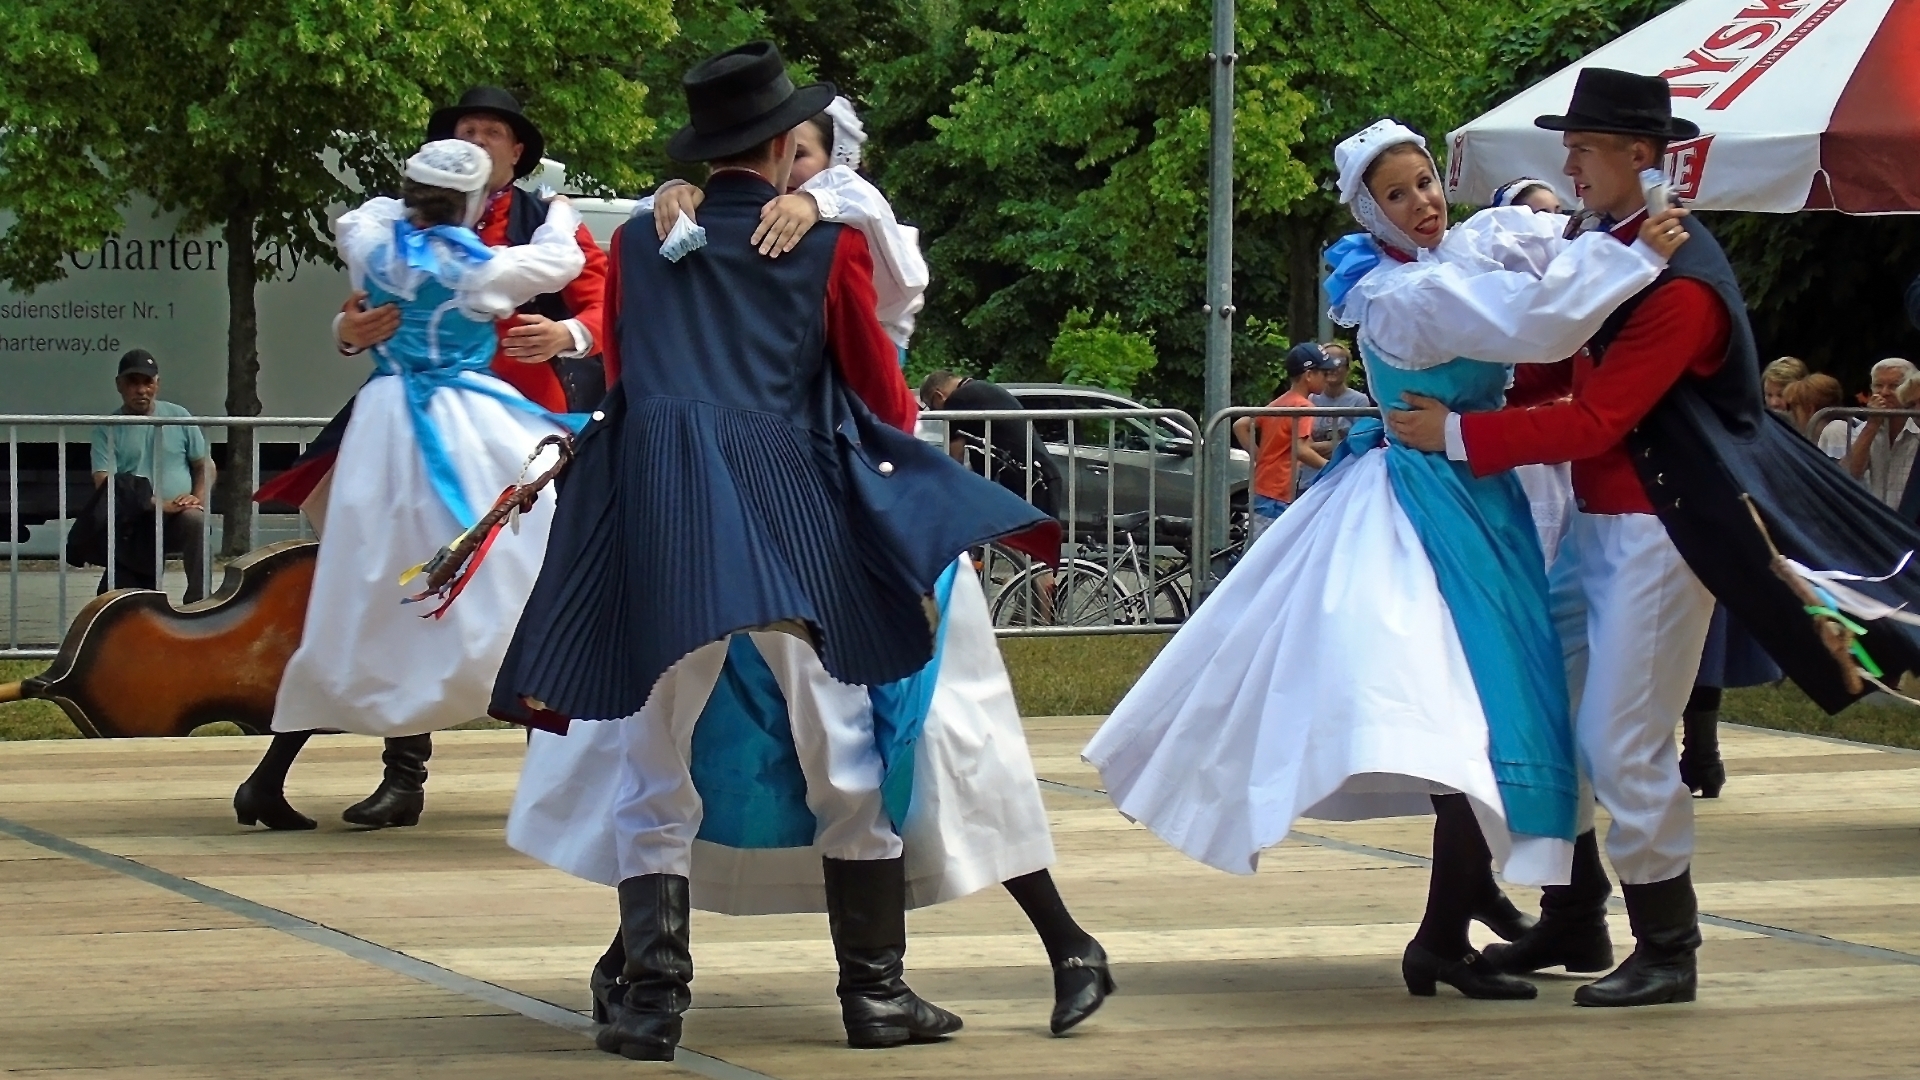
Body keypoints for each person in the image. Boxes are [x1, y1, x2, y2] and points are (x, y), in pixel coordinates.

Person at [489, 42, 1057, 1060]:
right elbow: (879, 396)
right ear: (787, 144)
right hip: (787, 516)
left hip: (661, 509)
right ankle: (874, 996)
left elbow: (624, 373)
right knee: (842, 749)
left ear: (704, 152)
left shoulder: (643, 239)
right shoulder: (827, 248)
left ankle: (653, 1003)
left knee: (653, 759)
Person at [1086, 117, 1682, 1003]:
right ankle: (1461, 929)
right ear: (1370, 213)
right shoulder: (1403, 296)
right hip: (1425, 511)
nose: (1423, 203)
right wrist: (1635, 253)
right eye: (1396, 195)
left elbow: (1538, 244)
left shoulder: (1451, 258)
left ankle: (1493, 915)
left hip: (1472, 497)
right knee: (1464, 717)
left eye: (1426, 183)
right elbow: (1540, 324)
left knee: (1473, 718)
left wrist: (1601, 222)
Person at [1387, 67, 1920, 1007]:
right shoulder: (1611, 241)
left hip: (1664, 535)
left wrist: (1459, 432)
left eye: (1583, 150)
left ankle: (1669, 945)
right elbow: (1566, 366)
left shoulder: (1683, 286)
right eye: (1569, 149)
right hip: (1602, 523)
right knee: (1543, 710)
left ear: (1641, 156)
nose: (1569, 167)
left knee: (1622, 738)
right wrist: (1467, 385)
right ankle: (1574, 915)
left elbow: (1600, 417)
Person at [239, 87, 611, 831]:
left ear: (517, 153)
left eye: (491, 132)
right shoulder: (485, 245)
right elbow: (358, 313)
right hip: (442, 429)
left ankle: (556, 774)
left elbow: (604, 301)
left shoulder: (470, 222)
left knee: (505, 586)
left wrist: (568, 337)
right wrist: (348, 330)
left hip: (513, 435)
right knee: (411, 582)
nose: (476, 139)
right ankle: (406, 774)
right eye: (465, 129)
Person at [88, 349, 214, 603]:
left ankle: (200, 603)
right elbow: (104, 482)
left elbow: (204, 465)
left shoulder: (179, 416)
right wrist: (158, 505)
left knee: (196, 521)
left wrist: (197, 498)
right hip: (134, 519)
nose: (141, 390)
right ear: (119, 385)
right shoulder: (107, 427)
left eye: (147, 382)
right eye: (132, 383)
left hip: (178, 515)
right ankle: (142, 609)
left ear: (157, 383)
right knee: (129, 597)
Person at [919, 372, 1063, 519]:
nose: (937, 412)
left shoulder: (957, 399)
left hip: (1031, 481)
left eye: (932, 407)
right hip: (1041, 475)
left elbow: (956, 458)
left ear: (938, 396)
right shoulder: (981, 389)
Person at [1233, 343, 1337, 540]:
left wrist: (1260, 456)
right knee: (1268, 550)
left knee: (1262, 546)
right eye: (1324, 373)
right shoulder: (1304, 407)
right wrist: (1333, 468)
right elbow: (1301, 450)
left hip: (1264, 486)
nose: (1328, 378)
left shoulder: (1281, 402)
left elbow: (1240, 425)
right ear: (1309, 375)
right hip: (1277, 492)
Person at [1844, 358, 1920, 504]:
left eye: (1894, 386)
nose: (1884, 392)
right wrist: (1872, 425)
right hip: (1878, 515)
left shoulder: (1918, 425)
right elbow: (1847, 474)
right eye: (1878, 385)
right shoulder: (1865, 429)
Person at [1301, 341, 1373, 488]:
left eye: (1339, 362)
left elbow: (1362, 441)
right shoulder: (1309, 399)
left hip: (1345, 479)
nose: (1333, 368)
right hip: (1310, 481)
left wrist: (1336, 446)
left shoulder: (1359, 400)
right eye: (1327, 362)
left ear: (1347, 368)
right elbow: (1300, 443)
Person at [1784, 373, 1848, 458]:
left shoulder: (1835, 429)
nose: (1791, 413)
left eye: (1793, 407)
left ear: (1809, 409)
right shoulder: (1817, 436)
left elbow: (1840, 466)